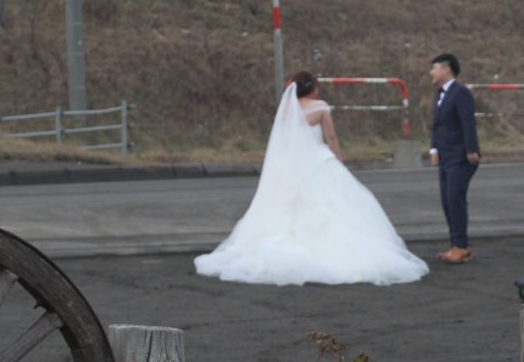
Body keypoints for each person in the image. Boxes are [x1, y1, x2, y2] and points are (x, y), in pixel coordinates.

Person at [195, 71, 428, 286]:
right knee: (333, 206)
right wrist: (339, 161)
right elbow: (331, 137)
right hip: (318, 161)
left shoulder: (287, 110)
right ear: (313, 89)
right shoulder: (320, 107)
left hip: (291, 165)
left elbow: (284, 141)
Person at [429, 53, 480, 264]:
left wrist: (471, 150)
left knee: (454, 200)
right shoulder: (440, 94)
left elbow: (468, 122)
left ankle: (460, 246)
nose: (431, 73)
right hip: (445, 156)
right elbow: (437, 125)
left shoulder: (461, 93)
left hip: (460, 156)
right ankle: (458, 245)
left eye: (434, 68)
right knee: (447, 202)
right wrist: (433, 149)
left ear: (446, 70)